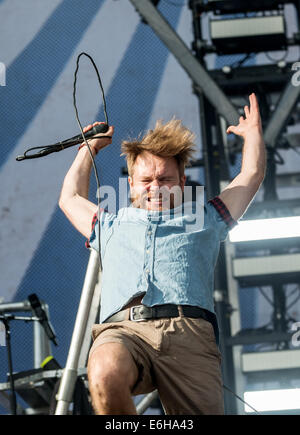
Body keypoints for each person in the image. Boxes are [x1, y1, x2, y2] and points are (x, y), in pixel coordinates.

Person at [59, 93, 266, 415]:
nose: (155, 186)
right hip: (124, 330)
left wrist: (252, 136)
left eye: (165, 179)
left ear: (182, 182)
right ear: (131, 184)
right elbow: (70, 198)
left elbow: (250, 176)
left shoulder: (207, 219)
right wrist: (88, 149)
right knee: (104, 374)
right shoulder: (110, 224)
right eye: (145, 180)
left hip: (189, 333)